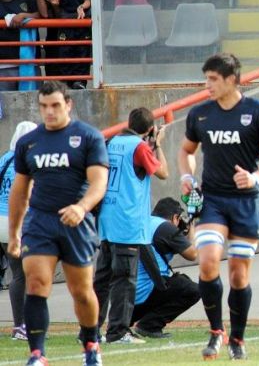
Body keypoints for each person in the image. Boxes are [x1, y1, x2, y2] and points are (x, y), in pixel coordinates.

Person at [178, 53, 259, 359]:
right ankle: (216, 332)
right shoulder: (200, 114)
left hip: (246, 202)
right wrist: (187, 174)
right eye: (206, 78)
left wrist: (254, 177)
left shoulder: (257, 111)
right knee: (208, 261)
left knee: (239, 274)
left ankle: (237, 339)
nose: (207, 85)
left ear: (231, 79)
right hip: (212, 200)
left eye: (212, 79)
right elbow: (186, 150)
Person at [6, 80, 108, 366]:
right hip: (40, 222)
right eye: (44, 106)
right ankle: (37, 354)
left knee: (82, 291)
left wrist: (82, 206)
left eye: (55, 106)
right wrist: (14, 233)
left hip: (76, 222)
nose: (49, 112)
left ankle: (91, 343)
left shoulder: (88, 137)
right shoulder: (29, 142)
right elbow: (20, 190)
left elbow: (99, 182)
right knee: (36, 283)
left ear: (68, 105)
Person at [93, 107, 168, 344]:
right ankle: (117, 331)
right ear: (150, 128)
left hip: (107, 219)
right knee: (125, 280)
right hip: (127, 222)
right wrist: (159, 144)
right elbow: (163, 173)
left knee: (102, 280)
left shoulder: (112, 142)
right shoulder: (140, 147)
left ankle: (89, 329)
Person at [130, 198, 200, 339]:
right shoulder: (166, 227)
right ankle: (150, 325)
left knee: (177, 281)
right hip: (146, 293)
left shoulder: (145, 223)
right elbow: (193, 254)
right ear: (175, 217)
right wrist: (192, 227)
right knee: (193, 289)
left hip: (128, 302)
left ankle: (126, 324)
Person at [0, 120, 37, 341]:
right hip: (19, 221)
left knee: (18, 273)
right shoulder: (28, 161)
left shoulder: (5, 158)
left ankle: (21, 324)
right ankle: (22, 325)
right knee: (25, 274)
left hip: (1, 220)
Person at [48, 0, 92, 89]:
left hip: (81, 20)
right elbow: (55, 1)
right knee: (65, 51)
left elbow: (88, 0)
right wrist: (54, 2)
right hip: (65, 20)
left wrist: (82, 7)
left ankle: (80, 81)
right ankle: (68, 81)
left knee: (82, 51)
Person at [0, 0, 47, 91]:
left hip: (29, 63)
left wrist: (24, 16)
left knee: (34, 104)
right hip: (2, 66)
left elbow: (42, 15)